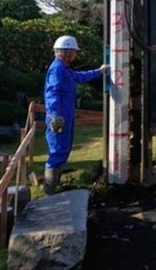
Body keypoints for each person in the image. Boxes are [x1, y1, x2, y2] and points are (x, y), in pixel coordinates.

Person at [43, 35, 108, 195]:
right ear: (66, 52)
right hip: (59, 120)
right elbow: (52, 93)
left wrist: (99, 71)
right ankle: (50, 190)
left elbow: (79, 76)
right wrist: (56, 117)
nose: (75, 55)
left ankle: (54, 186)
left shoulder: (64, 69)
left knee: (63, 149)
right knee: (57, 151)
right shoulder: (57, 69)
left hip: (65, 117)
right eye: (73, 52)